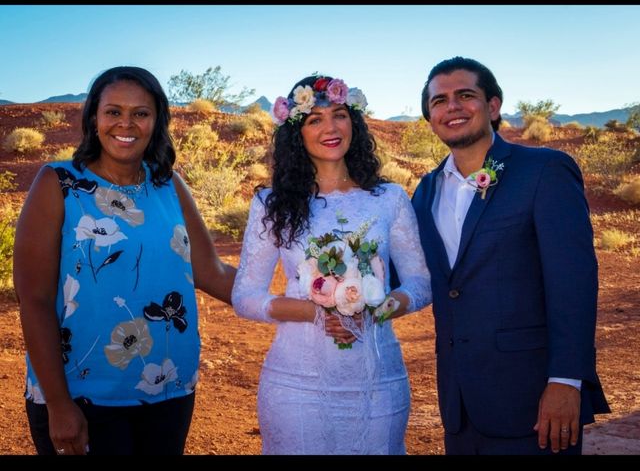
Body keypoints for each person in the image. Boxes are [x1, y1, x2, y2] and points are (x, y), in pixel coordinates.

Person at [14, 66, 236, 455]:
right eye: (113, 111)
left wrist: (303, 298)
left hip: (167, 388)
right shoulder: (59, 183)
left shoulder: (169, 184)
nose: (126, 123)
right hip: (82, 395)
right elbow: (33, 298)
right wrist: (59, 405)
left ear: (157, 121)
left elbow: (211, 272)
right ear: (94, 119)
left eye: (141, 113)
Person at [411, 56, 610, 454]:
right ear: (430, 117)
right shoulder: (425, 191)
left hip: (534, 402)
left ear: (493, 106)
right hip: (460, 404)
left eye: (465, 95)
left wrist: (566, 381)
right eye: (439, 101)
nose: (452, 107)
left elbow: (573, 283)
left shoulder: (544, 171)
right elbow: (424, 279)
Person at [231, 75, 432, 454]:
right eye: (315, 119)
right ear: (297, 132)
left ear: (353, 123)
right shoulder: (270, 202)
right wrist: (317, 313)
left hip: (379, 382)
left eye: (339, 115)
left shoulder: (388, 198)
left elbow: (421, 284)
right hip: (296, 385)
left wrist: (379, 307)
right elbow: (244, 297)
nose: (330, 127)